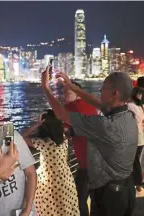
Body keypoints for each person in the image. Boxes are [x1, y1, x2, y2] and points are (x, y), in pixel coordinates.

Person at [42, 68, 138, 216]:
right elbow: (100, 104)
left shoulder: (105, 125)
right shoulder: (128, 115)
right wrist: (73, 88)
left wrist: (46, 88)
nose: (100, 91)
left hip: (109, 195)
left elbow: (62, 114)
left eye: (104, 88)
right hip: (127, 188)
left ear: (115, 93)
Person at [22, 109, 80, 216]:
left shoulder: (44, 143)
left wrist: (36, 124)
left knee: (49, 210)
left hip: (49, 182)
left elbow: (21, 138)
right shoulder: (64, 138)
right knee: (65, 209)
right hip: (65, 179)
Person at [62, 81, 98, 216]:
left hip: (86, 162)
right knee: (96, 199)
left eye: (67, 92)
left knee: (79, 199)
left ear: (77, 93)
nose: (64, 95)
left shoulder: (70, 107)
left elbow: (64, 133)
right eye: (63, 92)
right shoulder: (90, 105)